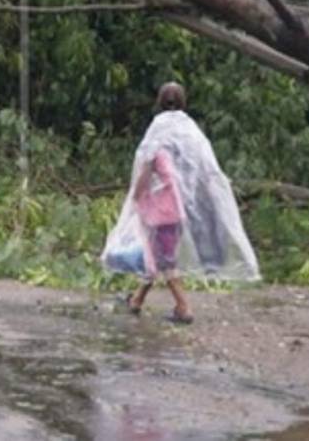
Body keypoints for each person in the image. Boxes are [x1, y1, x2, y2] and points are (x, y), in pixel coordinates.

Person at [102, 82, 260, 325]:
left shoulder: (159, 131)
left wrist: (136, 197)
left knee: (164, 259)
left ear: (159, 101)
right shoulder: (190, 130)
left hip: (159, 209)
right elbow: (204, 169)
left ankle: (183, 307)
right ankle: (137, 301)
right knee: (155, 254)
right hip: (178, 209)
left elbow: (147, 166)